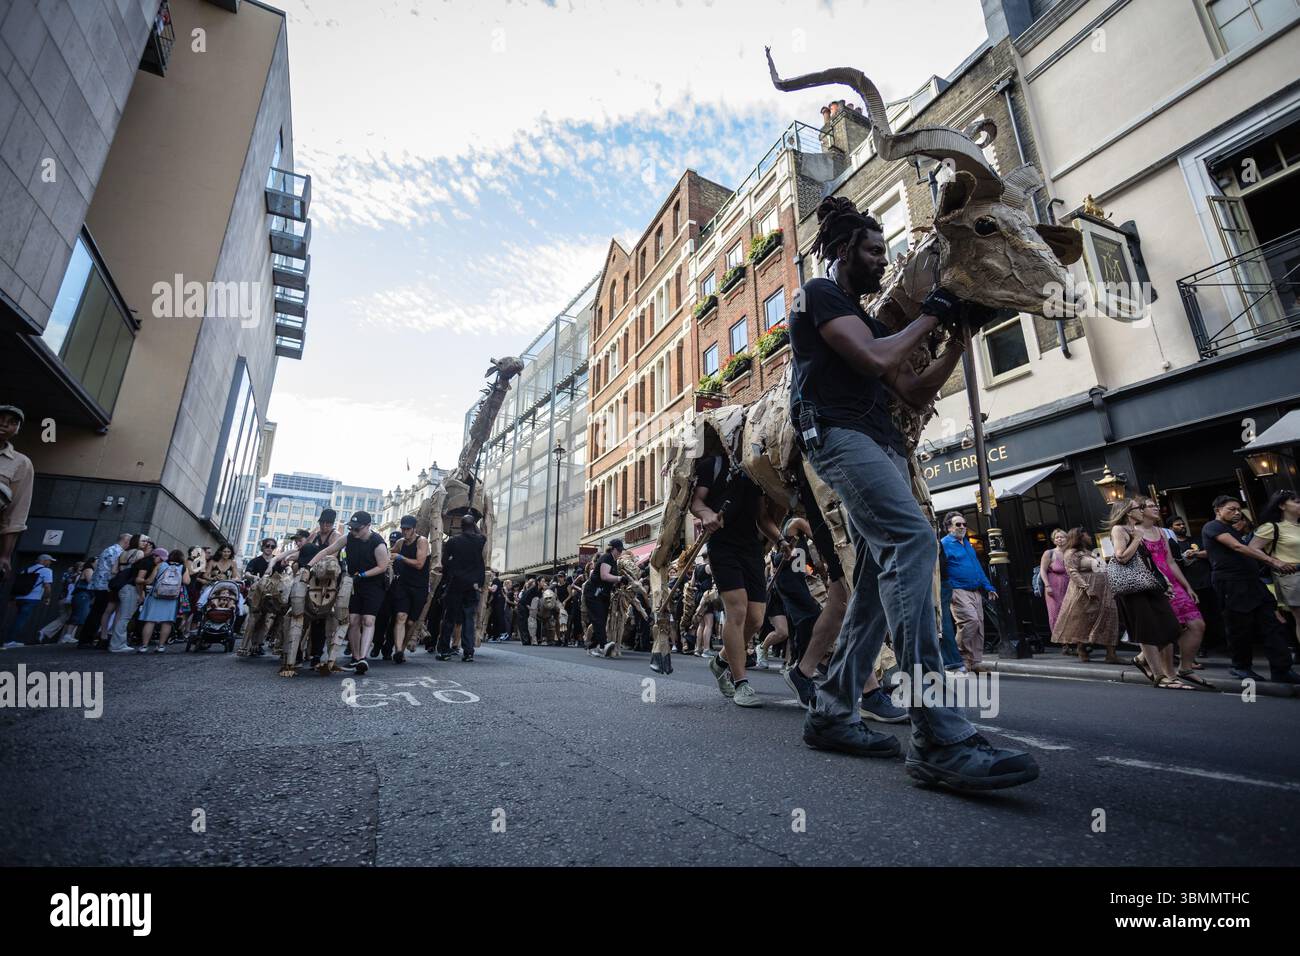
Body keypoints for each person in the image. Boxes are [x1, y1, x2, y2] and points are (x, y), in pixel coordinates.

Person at [788, 194, 1036, 788]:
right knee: (913, 540)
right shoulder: (819, 296)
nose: (882, 260)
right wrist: (931, 312)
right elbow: (875, 359)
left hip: (883, 442)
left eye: (885, 252)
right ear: (845, 250)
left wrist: (957, 337)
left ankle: (831, 710)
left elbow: (914, 392)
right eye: (874, 251)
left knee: (876, 575)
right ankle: (937, 732)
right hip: (839, 434)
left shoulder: (871, 320)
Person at [691, 453, 785, 707]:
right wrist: (707, 514)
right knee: (737, 611)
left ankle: (720, 661)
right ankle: (741, 682)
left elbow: (762, 517)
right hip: (723, 545)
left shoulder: (757, 468)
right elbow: (696, 502)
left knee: (755, 619)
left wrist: (780, 539)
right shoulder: (714, 463)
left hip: (752, 548)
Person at [1203, 495, 1299, 682]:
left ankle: (1281, 670)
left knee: (1272, 624)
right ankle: (1240, 666)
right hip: (1231, 583)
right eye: (1232, 509)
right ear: (1218, 510)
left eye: (1239, 509)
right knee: (1240, 627)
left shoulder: (1232, 529)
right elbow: (1237, 547)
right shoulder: (1212, 526)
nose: (1237, 513)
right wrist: (1273, 561)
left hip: (1253, 582)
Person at [1107, 500, 1192, 689]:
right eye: (1138, 508)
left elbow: (1149, 561)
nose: (1142, 510)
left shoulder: (1136, 530)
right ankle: (1160, 676)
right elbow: (1121, 556)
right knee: (1148, 632)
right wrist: (1137, 538)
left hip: (1150, 585)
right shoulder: (1119, 529)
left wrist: (1165, 581)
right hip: (1133, 589)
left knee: (1171, 627)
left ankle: (1143, 661)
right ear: (1128, 512)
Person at [1131, 498, 1210, 686]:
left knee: (1197, 624)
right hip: (1154, 585)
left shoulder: (1161, 531)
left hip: (1172, 583)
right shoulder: (1133, 532)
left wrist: (1187, 586)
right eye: (1151, 506)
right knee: (1168, 629)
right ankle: (1169, 674)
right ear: (1141, 511)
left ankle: (1185, 667)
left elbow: (1171, 562)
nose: (1156, 508)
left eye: (1156, 505)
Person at [308, 511, 389, 675]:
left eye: (357, 529)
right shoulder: (348, 538)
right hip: (354, 583)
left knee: (368, 620)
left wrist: (364, 575)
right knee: (352, 620)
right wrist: (308, 567)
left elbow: (383, 566)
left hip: (374, 584)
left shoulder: (378, 543)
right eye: (351, 528)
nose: (353, 532)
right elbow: (327, 551)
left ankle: (363, 658)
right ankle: (357, 658)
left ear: (368, 526)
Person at [939, 512, 998, 672]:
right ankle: (957, 655)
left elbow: (977, 568)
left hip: (975, 590)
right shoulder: (944, 544)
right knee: (970, 621)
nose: (963, 527)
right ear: (949, 528)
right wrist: (948, 587)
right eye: (958, 524)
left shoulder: (967, 544)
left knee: (979, 625)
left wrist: (988, 587)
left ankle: (973, 662)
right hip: (957, 589)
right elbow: (939, 568)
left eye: (964, 524)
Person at [1050, 528, 1118, 662]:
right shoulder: (1070, 553)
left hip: (1103, 590)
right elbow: (1072, 572)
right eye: (1085, 534)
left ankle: (1111, 654)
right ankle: (1081, 649)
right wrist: (1086, 588)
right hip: (1085, 592)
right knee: (1083, 621)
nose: (1088, 536)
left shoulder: (1087, 552)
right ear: (1079, 537)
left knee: (1109, 618)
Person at [1249, 490, 1300, 655]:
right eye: (1297, 501)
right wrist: (1275, 562)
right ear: (1282, 505)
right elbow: (1252, 548)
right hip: (1292, 577)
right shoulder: (1272, 527)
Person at [439, 514, 486, 662]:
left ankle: (444, 650)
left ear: (461, 526)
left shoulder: (453, 542)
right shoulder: (479, 540)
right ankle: (468, 652)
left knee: (449, 617)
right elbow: (481, 534)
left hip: (456, 583)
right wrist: (473, 524)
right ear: (473, 526)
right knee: (468, 618)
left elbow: (444, 562)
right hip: (472, 585)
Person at [1169, 515, 1220, 649]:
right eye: (1178, 525)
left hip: (1207, 581)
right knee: (1196, 616)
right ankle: (1202, 647)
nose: (1182, 527)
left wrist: (1195, 554)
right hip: (1190, 584)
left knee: (1214, 613)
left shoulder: (1196, 540)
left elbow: (1210, 552)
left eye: (1182, 524)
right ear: (1170, 528)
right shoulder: (1172, 545)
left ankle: (1219, 642)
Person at [388, 515, 430, 663]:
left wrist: (400, 557)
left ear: (414, 529)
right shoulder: (400, 542)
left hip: (419, 586)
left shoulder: (422, 541)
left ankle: (402, 648)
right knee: (401, 617)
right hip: (403, 585)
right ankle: (398, 650)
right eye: (403, 529)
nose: (405, 532)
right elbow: (389, 553)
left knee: (411, 622)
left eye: (408, 529)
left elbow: (419, 564)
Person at [0, 405, 35, 584]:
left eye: (12, 422)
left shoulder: (21, 463)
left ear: (17, 429)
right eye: (1, 419)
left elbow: (16, 514)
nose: (4, 425)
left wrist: (5, 555)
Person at [82, 532, 131, 647]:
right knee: (99, 612)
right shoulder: (117, 552)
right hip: (105, 585)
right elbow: (114, 569)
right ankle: (86, 640)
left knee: (97, 612)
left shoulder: (109, 549)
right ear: (126, 541)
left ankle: (88, 639)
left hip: (99, 584)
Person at [137, 549, 189, 653]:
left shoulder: (161, 565)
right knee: (167, 622)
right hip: (172, 598)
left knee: (150, 620)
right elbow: (186, 581)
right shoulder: (183, 568)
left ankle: (144, 646)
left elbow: (150, 580)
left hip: (156, 595)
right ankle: (161, 646)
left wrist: (142, 581)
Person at [2, 553, 54, 648]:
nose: (50, 563)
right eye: (49, 561)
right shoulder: (46, 571)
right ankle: (10, 640)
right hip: (32, 598)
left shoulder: (26, 570)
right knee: (21, 620)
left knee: (17, 619)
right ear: (44, 560)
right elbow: (47, 586)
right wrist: (47, 597)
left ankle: (9, 639)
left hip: (19, 597)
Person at [584, 540, 624, 656]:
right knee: (598, 619)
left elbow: (609, 579)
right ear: (613, 549)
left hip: (603, 594)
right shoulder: (606, 558)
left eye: (621, 550)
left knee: (601, 619)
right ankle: (602, 645)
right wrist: (619, 579)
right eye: (619, 550)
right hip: (594, 593)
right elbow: (604, 576)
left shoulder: (613, 560)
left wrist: (619, 582)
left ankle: (594, 646)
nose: (620, 553)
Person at [106, 546, 146, 653]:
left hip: (121, 586)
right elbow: (138, 581)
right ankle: (116, 644)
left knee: (119, 615)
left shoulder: (122, 555)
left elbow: (114, 571)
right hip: (129, 588)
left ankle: (116, 641)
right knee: (124, 617)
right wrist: (140, 593)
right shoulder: (141, 560)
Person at [1040, 528, 1070, 638]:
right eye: (1057, 537)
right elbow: (1042, 570)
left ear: (1067, 539)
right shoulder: (1049, 553)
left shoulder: (1070, 552)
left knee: (1070, 612)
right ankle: (1063, 643)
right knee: (1056, 613)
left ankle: (1073, 641)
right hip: (1054, 587)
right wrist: (1047, 586)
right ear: (1053, 540)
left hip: (1069, 586)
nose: (1059, 539)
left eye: (1062, 537)